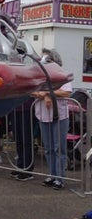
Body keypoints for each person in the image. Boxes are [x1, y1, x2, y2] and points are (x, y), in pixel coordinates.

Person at [32, 48, 72, 190]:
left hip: (59, 116)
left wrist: (47, 93)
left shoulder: (61, 74)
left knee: (58, 148)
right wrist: (43, 94)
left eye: (47, 60)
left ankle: (60, 178)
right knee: (48, 148)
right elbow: (33, 91)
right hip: (43, 116)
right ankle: (52, 175)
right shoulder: (40, 76)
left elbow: (66, 92)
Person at [10, 98, 35, 181]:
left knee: (26, 139)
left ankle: (27, 169)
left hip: (27, 108)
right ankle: (20, 165)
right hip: (15, 107)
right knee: (18, 139)